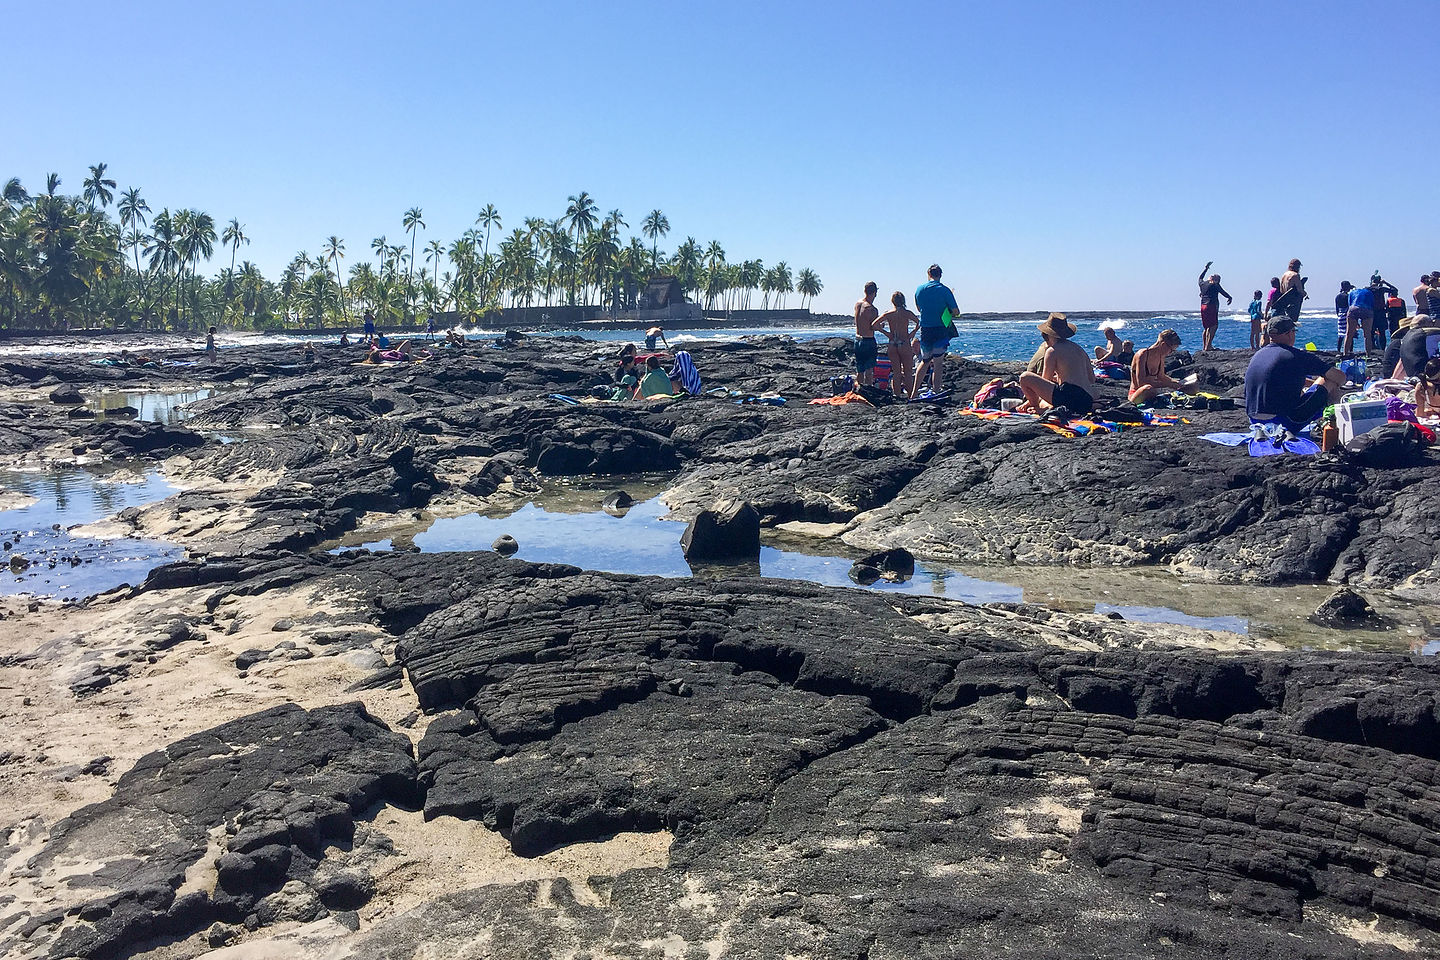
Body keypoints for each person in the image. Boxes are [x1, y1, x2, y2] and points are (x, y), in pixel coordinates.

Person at [1243, 315, 1345, 427]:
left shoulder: (1259, 354)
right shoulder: (1297, 356)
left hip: (1254, 420)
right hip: (1284, 421)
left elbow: (1279, 378)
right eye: (1294, 331)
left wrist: (1310, 384)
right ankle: (1333, 421)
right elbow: (1340, 378)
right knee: (1329, 381)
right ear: (1289, 333)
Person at [1018, 313, 1098, 414]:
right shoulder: (1079, 349)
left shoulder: (1052, 351)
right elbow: (1091, 379)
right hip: (1088, 400)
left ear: (1046, 335)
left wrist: (1031, 400)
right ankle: (1043, 407)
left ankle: (1034, 406)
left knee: (1025, 377)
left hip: (1071, 398)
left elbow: (1045, 380)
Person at [911, 264, 960, 398]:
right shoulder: (945, 290)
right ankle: (936, 391)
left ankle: (914, 393)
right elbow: (956, 312)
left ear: (928, 274)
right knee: (938, 363)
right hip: (940, 328)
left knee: (925, 360)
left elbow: (919, 309)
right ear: (940, 275)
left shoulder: (919, 289)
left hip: (925, 329)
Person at [1128, 329, 1193, 405]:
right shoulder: (1142, 355)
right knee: (1148, 388)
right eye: (1171, 350)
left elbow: (1161, 376)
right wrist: (1168, 385)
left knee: (1190, 387)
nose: (1170, 353)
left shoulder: (1161, 357)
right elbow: (1141, 383)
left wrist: (1176, 382)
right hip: (1137, 393)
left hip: (1153, 391)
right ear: (1163, 345)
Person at [876, 291, 920, 397]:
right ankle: (910, 395)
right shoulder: (907, 313)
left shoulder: (889, 314)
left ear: (892, 301)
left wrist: (886, 333)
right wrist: (912, 333)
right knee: (908, 372)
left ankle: (897, 395)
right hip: (904, 342)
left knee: (896, 372)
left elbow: (874, 324)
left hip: (893, 343)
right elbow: (919, 322)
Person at [1196, 262, 1232, 352]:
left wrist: (1206, 268)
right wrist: (1229, 297)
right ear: (1214, 279)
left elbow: (1200, 278)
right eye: (1218, 279)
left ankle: (1205, 346)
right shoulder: (1214, 284)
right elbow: (1223, 292)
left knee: (1207, 327)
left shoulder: (1202, 284)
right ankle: (1209, 346)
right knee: (1214, 326)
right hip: (1211, 306)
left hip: (1203, 306)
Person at [1396, 315, 1440, 379]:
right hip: (1426, 375)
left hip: (1412, 376)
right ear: (1425, 323)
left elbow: (1401, 363)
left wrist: (1394, 378)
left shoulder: (1405, 337)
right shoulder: (1427, 334)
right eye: (1432, 322)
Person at [853, 282, 880, 386]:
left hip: (857, 339)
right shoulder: (872, 309)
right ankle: (868, 391)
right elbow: (873, 327)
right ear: (875, 293)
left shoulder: (858, 304)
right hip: (868, 340)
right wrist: (882, 326)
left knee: (860, 370)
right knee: (869, 371)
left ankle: (858, 392)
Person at [1367, 273, 1399, 351]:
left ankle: (1372, 348)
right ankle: (1382, 349)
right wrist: (1385, 283)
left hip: (1372, 312)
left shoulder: (1368, 289)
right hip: (1381, 312)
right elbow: (1394, 290)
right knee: (1382, 332)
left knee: (1371, 332)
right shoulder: (1381, 289)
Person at [1335, 281, 1354, 353]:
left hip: (1340, 315)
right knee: (1349, 333)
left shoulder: (1338, 296)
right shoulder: (1348, 296)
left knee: (1340, 334)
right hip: (1347, 315)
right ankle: (1350, 350)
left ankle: (1338, 350)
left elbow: (1337, 308)